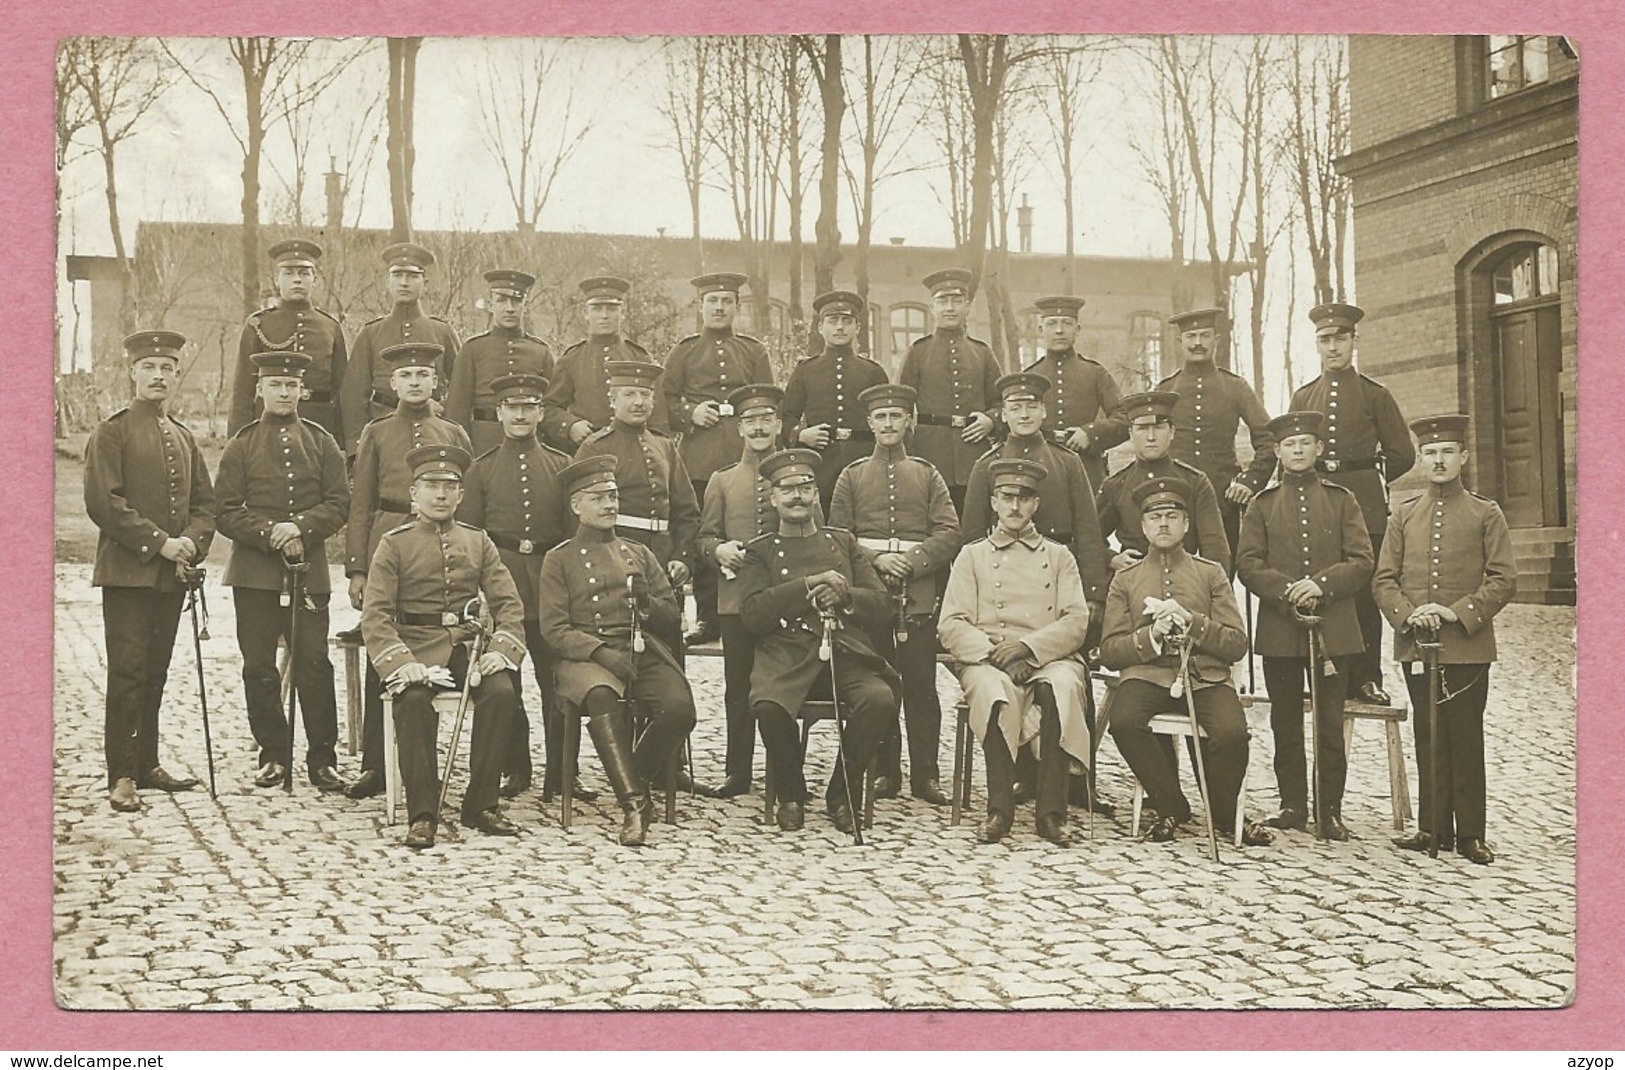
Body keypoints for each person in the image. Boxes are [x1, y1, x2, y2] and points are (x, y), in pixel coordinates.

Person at [361, 444, 528, 849]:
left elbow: (509, 605)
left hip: (465, 648)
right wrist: (401, 664)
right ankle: (422, 812)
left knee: (502, 692)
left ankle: (481, 803)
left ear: (461, 495)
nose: (440, 495)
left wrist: (498, 651)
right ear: (414, 494)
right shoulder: (393, 543)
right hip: (414, 647)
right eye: (431, 486)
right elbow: (376, 615)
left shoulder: (478, 541)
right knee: (414, 701)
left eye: (449, 486)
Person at [1373, 414, 1516, 865]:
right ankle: (1432, 825)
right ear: (1422, 459)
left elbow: (1503, 579)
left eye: (1447, 453)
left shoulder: (1484, 513)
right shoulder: (1404, 514)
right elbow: (1384, 580)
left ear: (1463, 458)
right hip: (1418, 644)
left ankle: (1471, 833)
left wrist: (1454, 612)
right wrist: (1409, 613)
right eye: (1431, 453)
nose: (1438, 460)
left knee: (1465, 733)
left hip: (1467, 645)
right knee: (1427, 733)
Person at [537, 455, 700, 847]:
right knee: (600, 694)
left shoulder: (638, 553)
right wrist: (599, 653)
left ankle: (635, 773)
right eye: (598, 498)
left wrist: (647, 604)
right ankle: (634, 805)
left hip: (639, 648)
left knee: (680, 710)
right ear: (577, 506)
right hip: (585, 659)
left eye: (613, 496)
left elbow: (670, 616)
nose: (610, 504)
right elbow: (554, 629)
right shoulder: (559, 559)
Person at [85, 330, 217, 813]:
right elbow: (104, 503)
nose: (158, 376)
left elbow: (206, 504)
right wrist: (160, 543)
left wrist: (190, 547)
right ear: (133, 373)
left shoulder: (183, 435)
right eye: (149, 368)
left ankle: (147, 762)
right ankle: (120, 774)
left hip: (168, 576)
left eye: (167, 368)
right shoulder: (112, 432)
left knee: (156, 672)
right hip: (127, 573)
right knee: (129, 672)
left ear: (176, 375)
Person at [1100, 476, 1272, 847]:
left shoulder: (1210, 573)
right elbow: (1112, 650)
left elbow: (1237, 643)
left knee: (1231, 734)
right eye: (1155, 517)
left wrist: (1194, 623)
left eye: (1172, 516)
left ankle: (1225, 813)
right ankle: (1171, 805)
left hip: (1204, 676)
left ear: (1186, 524)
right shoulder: (1125, 579)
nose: (1163, 524)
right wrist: (1153, 636)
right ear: (1143, 527)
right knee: (1125, 721)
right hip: (1147, 676)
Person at [737, 448, 901, 835]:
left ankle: (841, 794)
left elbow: (882, 606)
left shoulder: (843, 542)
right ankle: (790, 794)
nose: (797, 496)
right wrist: (807, 585)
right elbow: (752, 613)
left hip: (843, 649)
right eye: (787, 489)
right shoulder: (759, 552)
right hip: (786, 653)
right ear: (773, 497)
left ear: (816, 495)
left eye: (805, 487)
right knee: (769, 706)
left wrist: (844, 595)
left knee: (879, 699)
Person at [939, 458, 1093, 847]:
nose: (1014, 507)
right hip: (989, 657)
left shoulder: (1059, 557)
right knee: (994, 692)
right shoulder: (971, 556)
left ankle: (1052, 813)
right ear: (993, 502)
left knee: (1062, 686)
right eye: (1007, 497)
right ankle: (999, 809)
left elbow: (1076, 620)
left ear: (1035, 505)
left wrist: (1028, 648)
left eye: (1024, 498)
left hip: (1047, 655)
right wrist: (997, 654)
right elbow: (951, 623)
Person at [215, 351, 351, 792]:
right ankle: (273, 754)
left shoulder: (321, 441)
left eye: (291, 385)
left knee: (314, 662)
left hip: (307, 571)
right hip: (254, 573)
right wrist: (271, 532)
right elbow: (226, 511)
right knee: (259, 666)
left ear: (302, 390)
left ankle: (322, 759)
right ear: (260, 389)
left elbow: (338, 503)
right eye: (275, 385)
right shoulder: (242, 444)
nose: (284, 392)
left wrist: (302, 527)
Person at [1235, 411, 1375, 840]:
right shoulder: (1262, 504)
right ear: (1277, 451)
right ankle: (1292, 804)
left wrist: (1321, 585)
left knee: (1330, 724)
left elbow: (1362, 560)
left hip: (1334, 628)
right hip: (1280, 628)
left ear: (1318, 449)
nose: (1297, 451)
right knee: (1285, 722)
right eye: (1289, 445)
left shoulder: (1341, 500)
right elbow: (1247, 564)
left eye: (1305, 444)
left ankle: (1329, 809)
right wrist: (1286, 590)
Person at [343, 342, 473, 800]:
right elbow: (360, 505)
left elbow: (465, 500)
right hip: (387, 534)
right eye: (406, 376)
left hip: (439, 547)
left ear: (436, 381)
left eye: (424, 374)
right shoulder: (376, 433)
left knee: (437, 645)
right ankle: (376, 766)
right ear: (392, 383)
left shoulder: (453, 433)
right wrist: (357, 569)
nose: (415, 382)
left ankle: (422, 762)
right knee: (384, 644)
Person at [457, 372, 588, 803]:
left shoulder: (561, 465)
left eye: (529, 407)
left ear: (539, 413)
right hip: (503, 589)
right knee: (505, 684)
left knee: (559, 685)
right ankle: (515, 767)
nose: (520, 415)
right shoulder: (482, 468)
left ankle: (563, 773)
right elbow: (471, 538)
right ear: (498, 414)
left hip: (550, 590)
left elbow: (573, 538)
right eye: (512, 408)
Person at [828, 382, 960, 806]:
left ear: (910, 422)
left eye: (896, 416)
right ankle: (885, 771)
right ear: (869, 423)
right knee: (879, 682)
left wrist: (916, 561)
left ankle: (927, 776)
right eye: (880, 417)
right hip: (869, 595)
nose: (888, 424)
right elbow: (838, 537)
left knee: (921, 687)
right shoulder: (851, 476)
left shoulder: (927, 474)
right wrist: (876, 561)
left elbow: (950, 532)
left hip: (917, 596)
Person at [1290, 302, 1416, 706]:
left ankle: (1366, 677)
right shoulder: (1304, 395)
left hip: (1364, 506)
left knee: (1363, 594)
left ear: (1353, 342)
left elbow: (1402, 453)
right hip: (1318, 503)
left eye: (1340, 339)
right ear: (1317, 345)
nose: (1333, 348)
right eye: (1325, 340)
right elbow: (1291, 452)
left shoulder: (1374, 395)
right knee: (1322, 588)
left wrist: (1370, 480)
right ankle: (1324, 669)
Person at [695, 383, 806, 798]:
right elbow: (703, 539)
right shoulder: (723, 481)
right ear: (739, 428)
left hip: (786, 600)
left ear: (779, 424)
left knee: (785, 685)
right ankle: (737, 771)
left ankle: (785, 771)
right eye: (750, 421)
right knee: (737, 687)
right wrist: (718, 549)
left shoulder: (796, 480)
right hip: (736, 600)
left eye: (766, 420)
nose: (759, 428)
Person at [661, 272, 775, 645]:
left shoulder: (753, 351)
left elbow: (767, 397)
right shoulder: (684, 351)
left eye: (727, 301)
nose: (720, 307)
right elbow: (664, 400)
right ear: (700, 306)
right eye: (713, 301)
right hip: (700, 454)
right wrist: (689, 414)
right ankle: (708, 617)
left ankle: (758, 607)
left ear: (737, 307)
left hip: (747, 452)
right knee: (705, 532)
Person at [960, 372, 1109, 613]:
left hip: (1058, 573)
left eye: (1032, 406)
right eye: (1016, 407)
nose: (1025, 415)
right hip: (1002, 576)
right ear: (1004, 415)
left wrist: (1093, 592)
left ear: (1044, 410)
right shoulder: (985, 465)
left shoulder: (1068, 461)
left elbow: (1087, 530)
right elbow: (973, 536)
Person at [574, 361, 700, 637]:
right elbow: (579, 514)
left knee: (667, 644)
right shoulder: (595, 447)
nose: (638, 402)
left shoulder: (664, 446)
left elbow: (686, 511)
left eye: (645, 395)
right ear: (612, 400)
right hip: (615, 560)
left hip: (663, 559)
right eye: (629, 394)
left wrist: (682, 558)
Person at [1155, 307, 1275, 569]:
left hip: (1223, 502)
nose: (1198, 343)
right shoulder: (1166, 389)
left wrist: (1249, 482)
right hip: (1174, 500)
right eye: (1191, 336)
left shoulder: (1235, 387)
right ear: (1180, 342)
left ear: (1216, 341)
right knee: (1173, 578)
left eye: (1204, 335)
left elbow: (1268, 439)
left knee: (1220, 577)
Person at [338, 242, 460, 454]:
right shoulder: (371, 334)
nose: (404, 283)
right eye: (397, 275)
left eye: (412, 276)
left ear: (425, 283)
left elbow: (461, 387)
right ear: (388, 281)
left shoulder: (441, 332)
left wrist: (444, 410)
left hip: (432, 430)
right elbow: (353, 395)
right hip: (382, 430)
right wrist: (356, 446)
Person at [898, 268, 1001, 514]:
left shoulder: (982, 352)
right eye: (942, 301)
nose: (950, 308)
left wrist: (990, 420)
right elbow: (900, 405)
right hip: (929, 452)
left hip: (973, 453)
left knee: (972, 523)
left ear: (967, 306)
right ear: (932, 307)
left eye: (957, 301)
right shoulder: (918, 352)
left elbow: (1001, 402)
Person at [1095, 390, 1230, 570]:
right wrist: (1111, 559)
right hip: (1133, 583)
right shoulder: (1116, 485)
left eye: (1159, 427)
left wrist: (1211, 590)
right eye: (1142, 428)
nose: (1151, 437)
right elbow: (1089, 540)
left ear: (1172, 431)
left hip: (1185, 582)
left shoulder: (1195, 482)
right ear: (1131, 433)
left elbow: (1215, 548)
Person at [228, 238, 347, 440]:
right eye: (289, 273)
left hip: (318, 427)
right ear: (277, 279)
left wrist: (342, 444)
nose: (297, 280)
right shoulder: (258, 324)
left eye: (304, 273)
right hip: (267, 427)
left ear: (315, 279)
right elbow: (242, 391)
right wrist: (238, 441)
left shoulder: (330, 327)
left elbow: (342, 391)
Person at [781, 289, 889, 511]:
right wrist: (800, 434)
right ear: (821, 328)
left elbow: (888, 415)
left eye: (847, 321)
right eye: (832, 321)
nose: (840, 327)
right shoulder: (805, 371)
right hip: (822, 463)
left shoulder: (872, 372)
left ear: (857, 328)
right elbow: (785, 416)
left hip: (864, 461)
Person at [541, 275, 667, 452]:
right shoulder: (571, 360)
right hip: (586, 450)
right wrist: (570, 425)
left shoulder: (640, 358)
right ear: (586, 313)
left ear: (622, 313)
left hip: (633, 451)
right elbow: (548, 408)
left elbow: (658, 418)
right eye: (597, 309)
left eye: (612, 309)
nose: (605, 316)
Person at [1021, 294, 1128, 492]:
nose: (1059, 330)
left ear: (1077, 329)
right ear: (1040, 329)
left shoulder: (1095, 372)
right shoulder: (1030, 376)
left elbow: (1126, 417)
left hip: (1086, 468)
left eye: (1067, 323)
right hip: (1040, 468)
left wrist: (1091, 434)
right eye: (1052, 323)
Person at [446, 269, 556, 455]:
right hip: (483, 443)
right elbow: (458, 409)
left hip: (531, 442)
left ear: (525, 306)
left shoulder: (540, 352)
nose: (509, 308)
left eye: (516, 301)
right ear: (490, 305)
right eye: (501, 300)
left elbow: (551, 405)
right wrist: (462, 453)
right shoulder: (473, 349)